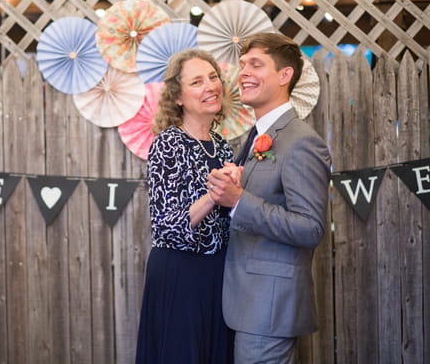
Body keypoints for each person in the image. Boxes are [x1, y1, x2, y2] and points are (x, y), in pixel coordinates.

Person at [208, 32, 331, 363]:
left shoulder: (301, 141)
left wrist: (238, 201)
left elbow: (310, 228)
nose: (243, 72)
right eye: (243, 64)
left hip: (269, 306)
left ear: (285, 75)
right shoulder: (257, 135)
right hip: (247, 301)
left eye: (256, 64)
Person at [135, 48, 235, 363]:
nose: (210, 86)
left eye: (213, 77)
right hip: (180, 274)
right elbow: (166, 226)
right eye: (197, 82)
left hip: (220, 274)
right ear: (178, 97)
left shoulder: (222, 145)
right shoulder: (167, 144)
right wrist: (214, 194)